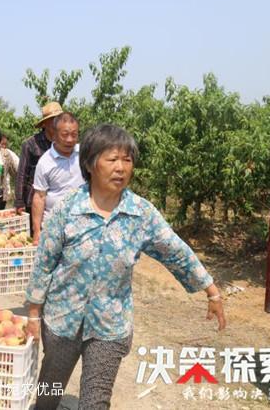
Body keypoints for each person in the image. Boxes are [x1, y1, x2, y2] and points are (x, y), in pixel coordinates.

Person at [25, 124, 226, 409]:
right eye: (112, 159)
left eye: (127, 160)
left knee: (96, 402)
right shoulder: (68, 209)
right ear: (91, 163)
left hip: (110, 324)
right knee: (48, 393)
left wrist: (211, 290)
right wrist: (34, 315)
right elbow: (44, 261)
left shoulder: (141, 213)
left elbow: (175, 250)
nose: (120, 168)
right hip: (63, 319)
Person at [31, 112, 85, 244]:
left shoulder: (84, 154)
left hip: (83, 225)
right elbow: (39, 197)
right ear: (54, 135)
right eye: (65, 135)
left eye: (74, 135)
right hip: (54, 228)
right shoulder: (45, 162)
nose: (70, 140)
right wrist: (37, 231)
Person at [15, 101, 62, 227]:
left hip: (59, 199)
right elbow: (22, 174)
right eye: (53, 120)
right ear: (45, 123)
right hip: (35, 199)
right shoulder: (31, 144)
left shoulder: (65, 143)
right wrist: (19, 201)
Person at [0, 135, 19, 202]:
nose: (4, 146)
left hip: (4, 192)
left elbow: (19, 169)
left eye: (5, 144)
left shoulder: (9, 154)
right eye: (2, 144)